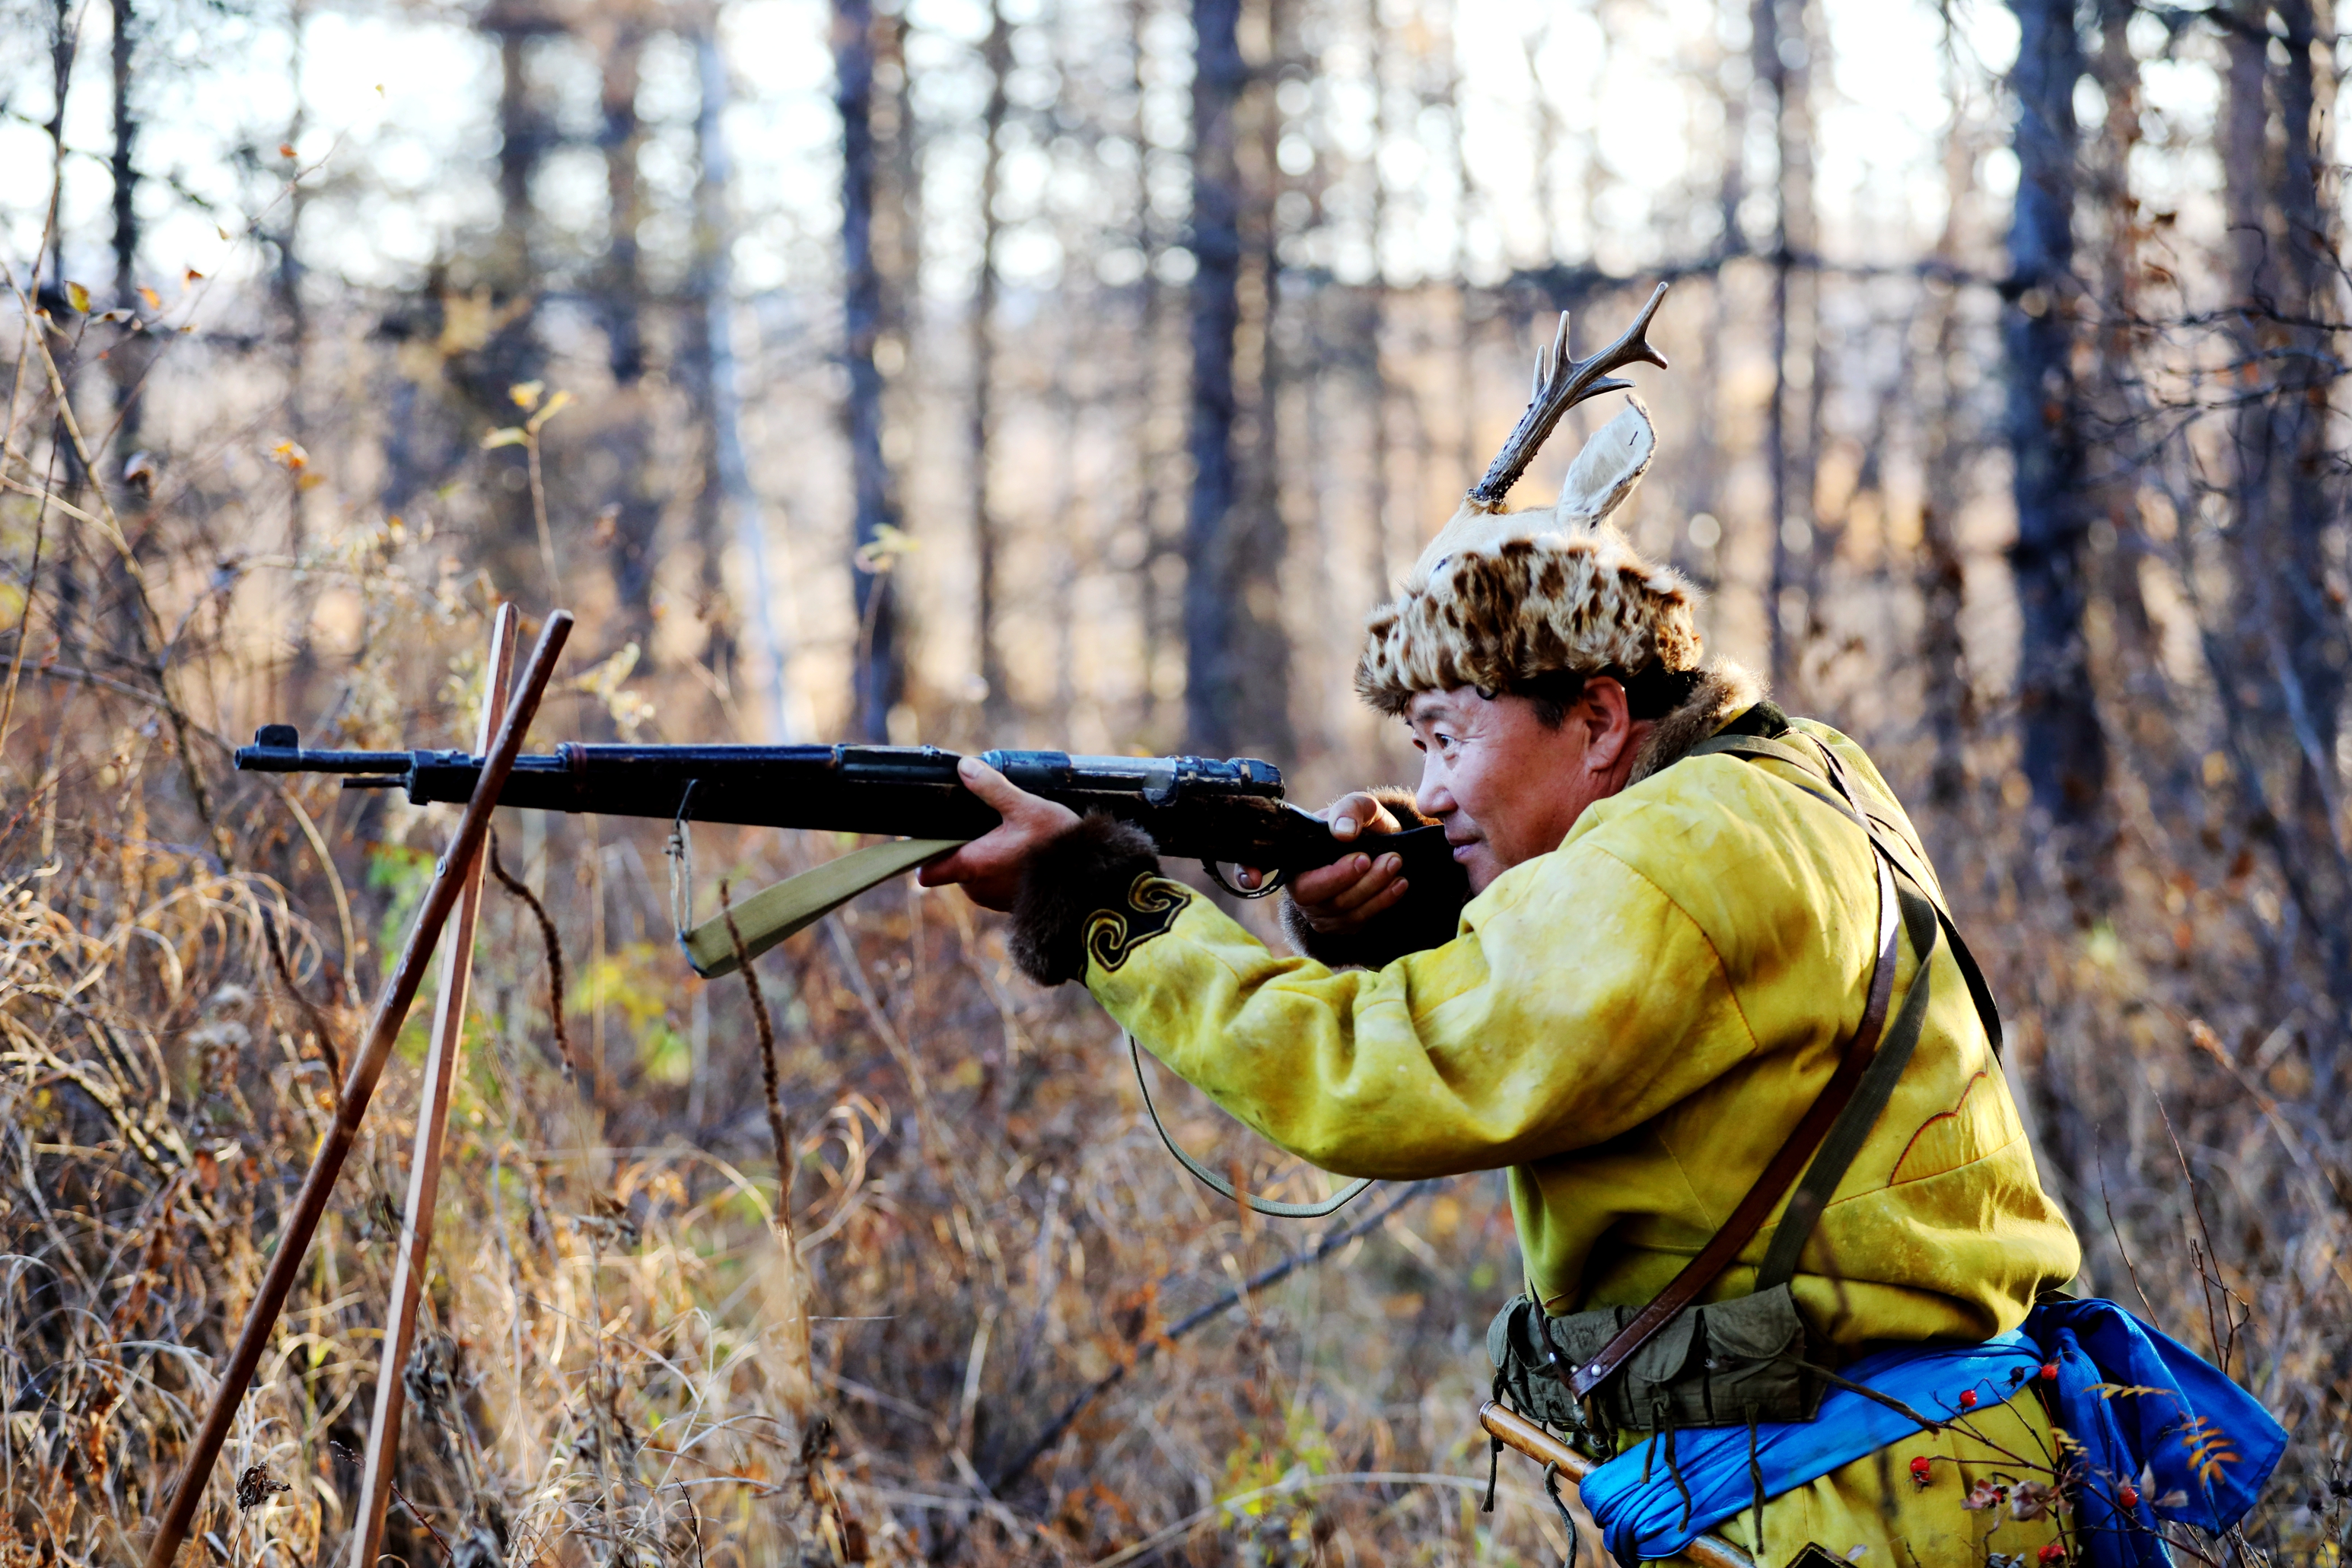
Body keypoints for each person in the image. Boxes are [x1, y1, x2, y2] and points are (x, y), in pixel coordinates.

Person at [918, 355, 2275, 1566]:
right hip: (1921, 1472)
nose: (1430, 790)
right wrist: (1399, 913)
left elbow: (1373, 1074)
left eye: (1448, 736)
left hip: (1844, 1509)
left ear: (1602, 716)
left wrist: (1105, 905)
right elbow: (1648, 998)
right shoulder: (1795, 776)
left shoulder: (1667, 855)